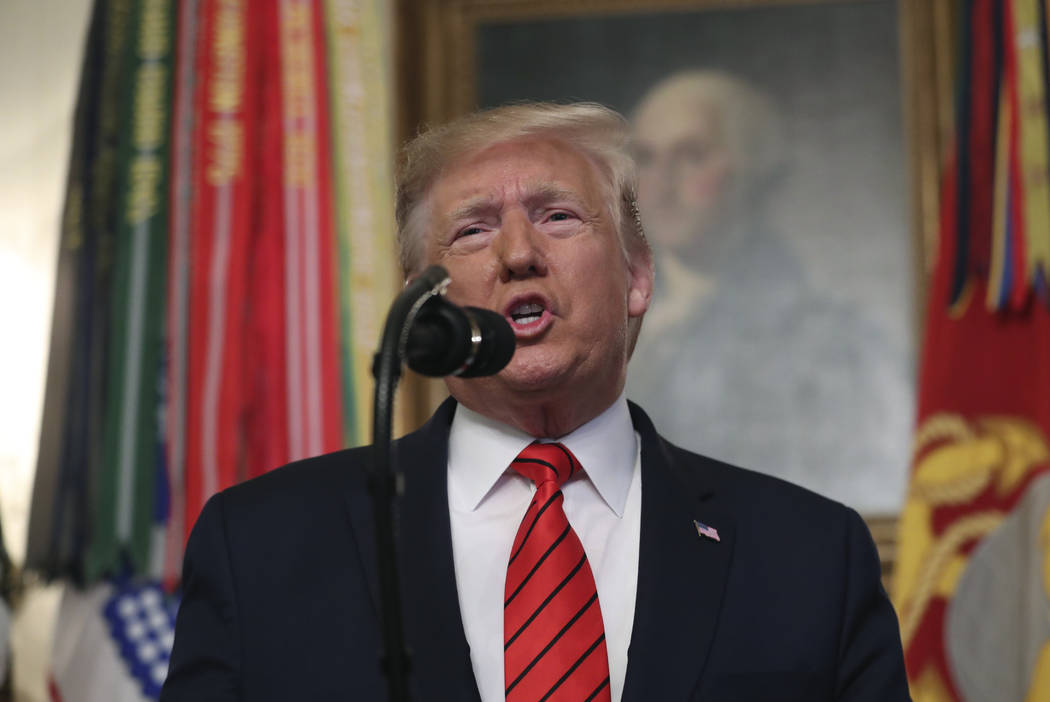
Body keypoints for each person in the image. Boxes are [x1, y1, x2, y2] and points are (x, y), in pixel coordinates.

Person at [161, 102, 910, 701]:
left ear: (638, 277)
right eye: (473, 229)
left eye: (557, 216)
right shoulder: (263, 546)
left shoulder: (809, 558)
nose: (519, 253)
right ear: (424, 304)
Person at [626, 71, 912, 507]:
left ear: (754, 174)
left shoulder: (835, 343)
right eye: (645, 158)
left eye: (691, 156)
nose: (661, 184)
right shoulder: (602, 318)